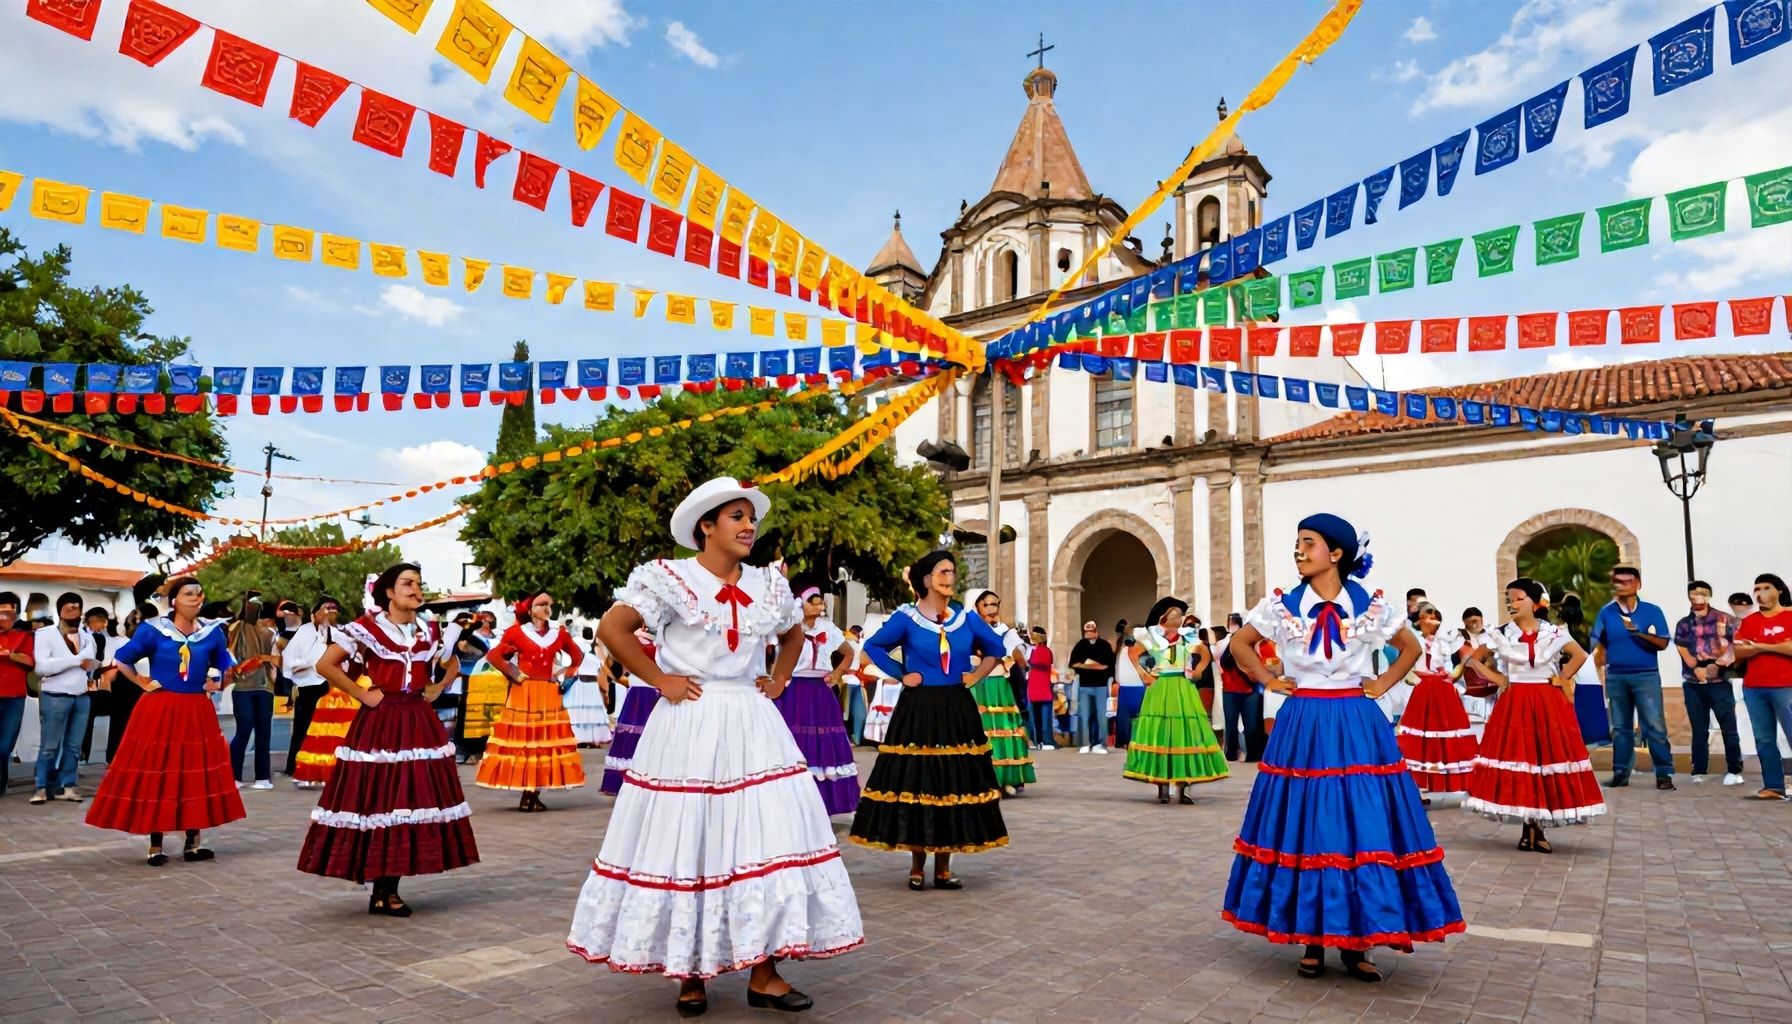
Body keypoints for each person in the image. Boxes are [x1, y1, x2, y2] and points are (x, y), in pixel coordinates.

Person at [566, 478, 862, 1016]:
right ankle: (691, 972)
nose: (749, 526)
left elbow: (793, 634)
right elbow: (614, 628)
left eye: (752, 517)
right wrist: (661, 679)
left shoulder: (769, 584)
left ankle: (765, 973)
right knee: (692, 841)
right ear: (707, 525)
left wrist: (779, 680)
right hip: (689, 722)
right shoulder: (669, 578)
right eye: (736, 516)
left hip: (753, 722)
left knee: (765, 841)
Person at [1222, 513, 1463, 982]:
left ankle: (1359, 941)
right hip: (1305, 719)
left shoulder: (1368, 604)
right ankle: (1312, 938)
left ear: (1335, 554)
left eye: (1307, 543)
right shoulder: (1282, 605)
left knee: (1364, 822)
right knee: (1307, 822)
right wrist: (1271, 679)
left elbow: (1409, 648)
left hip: (1356, 719)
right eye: (1296, 543)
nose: (1298, 551)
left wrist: (1382, 684)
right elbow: (1241, 644)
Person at [298, 564, 478, 916]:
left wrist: (438, 687)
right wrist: (362, 695)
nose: (415, 589)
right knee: (379, 799)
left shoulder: (429, 629)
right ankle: (380, 887)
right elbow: (326, 665)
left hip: (418, 720)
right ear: (389, 593)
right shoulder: (365, 628)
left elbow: (450, 662)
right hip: (381, 721)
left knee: (410, 799)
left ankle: (388, 888)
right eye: (407, 583)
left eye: (418, 583)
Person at [849, 549, 1010, 891]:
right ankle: (917, 864)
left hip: (956, 708)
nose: (949, 577)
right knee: (918, 782)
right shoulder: (907, 617)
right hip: (919, 707)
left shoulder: (965, 618)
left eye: (952, 571)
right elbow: (874, 647)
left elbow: (996, 648)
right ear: (925, 579)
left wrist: (975, 676)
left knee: (952, 783)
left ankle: (944, 867)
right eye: (942, 571)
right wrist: (901, 673)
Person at [87, 577, 248, 865]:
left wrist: (224, 680)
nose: (196, 598)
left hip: (196, 708)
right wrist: (142, 682)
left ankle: (193, 843)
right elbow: (123, 659)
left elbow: (225, 664)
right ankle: (155, 844)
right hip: (160, 706)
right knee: (159, 769)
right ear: (173, 600)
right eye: (188, 593)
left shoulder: (212, 633)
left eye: (199, 594)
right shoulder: (154, 630)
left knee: (194, 771)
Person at [1461, 578, 1607, 853]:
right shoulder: (1502, 633)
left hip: (1547, 700)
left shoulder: (1552, 632)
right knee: (1522, 758)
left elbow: (1579, 655)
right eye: (1509, 599)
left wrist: (1561, 677)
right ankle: (1531, 827)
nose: (1512, 603)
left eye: (1518, 598)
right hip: (1515, 699)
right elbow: (1473, 659)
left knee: (1545, 758)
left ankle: (1536, 827)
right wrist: (1499, 678)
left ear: (1534, 601)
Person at [477, 593, 587, 812]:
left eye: (550, 604)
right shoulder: (517, 632)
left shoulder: (559, 633)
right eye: (542, 604)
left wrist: (563, 674)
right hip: (524, 691)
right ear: (530, 609)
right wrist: (514, 673)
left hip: (546, 691)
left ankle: (531, 793)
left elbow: (577, 657)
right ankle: (529, 792)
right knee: (526, 742)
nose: (548, 608)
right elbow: (494, 656)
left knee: (542, 743)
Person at [1123, 597, 1227, 804]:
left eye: (1180, 615)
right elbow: (1134, 651)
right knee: (1160, 735)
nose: (1179, 618)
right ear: (1162, 618)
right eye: (1174, 615)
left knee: (1186, 735)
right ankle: (1161, 786)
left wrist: (1198, 669)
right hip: (1160, 687)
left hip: (1183, 687)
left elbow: (1204, 653)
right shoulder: (1151, 636)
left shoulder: (1188, 637)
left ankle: (1184, 788)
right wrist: (1143, 673)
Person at [776, 586, 860, 815]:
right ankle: (792, 802)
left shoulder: (828, 628)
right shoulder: (789, 627)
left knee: (825, 741)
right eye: (814, 602)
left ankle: (824, 803)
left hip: (820, 689)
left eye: (822, 603)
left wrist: (837, 673)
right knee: (794, 739)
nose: (820, 607)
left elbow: (849, 652)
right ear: (800, 603)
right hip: (794, 689)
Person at [1591, 566, 1674, 790]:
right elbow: (1595, 640)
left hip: (1646, 675)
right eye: (1617, 581)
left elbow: (1664, 642)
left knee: (1655, 725)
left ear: (1637, 584)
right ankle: (1621, 772)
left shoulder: (1652, 611)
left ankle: (1664, 773)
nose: (1621, 586)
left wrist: (1638, 632)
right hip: (1616, 676)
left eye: (1626, 581)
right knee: (1620, 727)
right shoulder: (1606, 613)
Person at [1395, 603, 1477, 797]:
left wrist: (1453, 675)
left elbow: (1466, 659)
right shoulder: (1411, 640)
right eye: (1428, 612)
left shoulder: (1447, 641)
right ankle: (1417, 782)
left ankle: (1451, 780)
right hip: (1420, 689)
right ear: (1419, 619)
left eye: (1435, 612)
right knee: (1419, 735)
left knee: (1447, 733)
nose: (1432, 615)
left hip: (1442, 690)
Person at [1674, 580, 1745, 786]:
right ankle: (1699, 769)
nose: (1698, 597)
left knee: (1728, 727)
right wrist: (1695, 667)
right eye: (1694, 593)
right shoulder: (1684, 624)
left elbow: (1737, 645)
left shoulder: (1725, 619)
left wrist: (1718, 664)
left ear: (1709, 595)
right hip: (1693, 682)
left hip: (1720, 680)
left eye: (1703, 593)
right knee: (1699, 728)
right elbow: (1681, 646)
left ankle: (1734, 768)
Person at [965, 589, 1034, 797]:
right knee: (978, 729)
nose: (992, 609)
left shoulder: (1005, 631)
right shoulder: (968, 630)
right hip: (977, 684)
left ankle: (1006, 779)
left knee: (1002, 729)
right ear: (976, 606)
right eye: (986, 605)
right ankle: (978, 779)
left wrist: (1022, 661)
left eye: (995, 604)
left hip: (998, 686)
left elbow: (1016, 651)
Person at [31, 593, 97, 804]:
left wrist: (86, 665)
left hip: (81, 695)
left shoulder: (87, 635)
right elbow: (42, 667)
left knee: (74, 745)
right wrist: (76, 661)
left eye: (77, 608)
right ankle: (42, 786)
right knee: (50, 744)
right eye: (69, 608)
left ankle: (68, 785)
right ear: (60, 610)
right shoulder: (45, 634)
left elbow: (92, 661)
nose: (74, 612)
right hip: (55, 695)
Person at [1733, 574, 1792, 801]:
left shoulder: (1789, 616)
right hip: (1755, 687)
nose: (1761, 592)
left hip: (1786, 685)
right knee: (1764, 738)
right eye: (1757, 588)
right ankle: (1774, 786)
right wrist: (1775, 646)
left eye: (1767, 587)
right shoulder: (1750, 621)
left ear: (1778, 591)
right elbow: (1737, 652)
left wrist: (1757, 646)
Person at [599, 627, 663, 795]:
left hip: (658, 692)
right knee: (634, 734)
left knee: (655, 735)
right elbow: (611, 666)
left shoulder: (665, 635)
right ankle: (626, 781)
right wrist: (626, 680)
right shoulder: (632, 637)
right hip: (639, 693)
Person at [225, 598, 278, 791]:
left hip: (263, 687)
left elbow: (277, 658)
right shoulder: (238, 629)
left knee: (262, 732)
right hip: (245, 688)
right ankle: (235, 776)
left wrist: (263, 659)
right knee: (246, 729)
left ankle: (262, 777)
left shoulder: (268, 633)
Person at [0, 593, 33, 796]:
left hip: (14, 697)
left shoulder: (25, 636)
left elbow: (31, 662)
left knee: (4, 747)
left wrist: (10, 654)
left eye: (8, 612)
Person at [1069, 620, 1114, 754]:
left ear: (1096, 632)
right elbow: (1073, 664)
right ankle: (1084, 743)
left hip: (1100, 686)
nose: (1088, 634)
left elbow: (1108, 665)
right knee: (1084, 715)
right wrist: (1091, 666)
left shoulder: (1105, 645)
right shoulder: (1080, 645)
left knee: (1101, 716)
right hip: (1084, 686)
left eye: (1091, 631)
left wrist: (1098, 668)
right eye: (1086, 632)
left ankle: (1099, 743)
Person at [563, 630, 613, 747]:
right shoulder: (595, 657)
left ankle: (580, 738)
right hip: (592, 686)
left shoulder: (577, 657)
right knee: (592, 712)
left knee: (579, 712)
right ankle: (593, 739)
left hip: (580, 685)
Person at [78, 607, 113, 763]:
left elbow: (99, 659)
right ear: (92, 620)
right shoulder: (78, 635)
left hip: (91, 683)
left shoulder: (100, 639)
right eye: (101, 622)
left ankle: (84, 752)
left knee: (88, 717)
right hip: (75, 679)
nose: (103, 626)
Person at [1113, 619, 1145, 749]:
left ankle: (1136, 740)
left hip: (1139, 686)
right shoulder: (1123, 649)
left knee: (1138, 717)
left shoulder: (1143, 649)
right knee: (1124, 718)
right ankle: (1124, 741)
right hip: (1125, 687)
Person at [1025, 626, 1057, 750]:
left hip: (1043, 687)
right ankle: (1037, 741)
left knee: (1044, 718)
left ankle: (1046, 740)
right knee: (1035, 717)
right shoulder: (1030, 650)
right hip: (1033, 687)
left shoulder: (1044, 651)